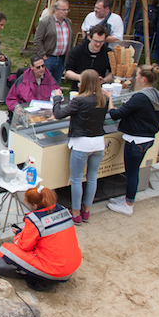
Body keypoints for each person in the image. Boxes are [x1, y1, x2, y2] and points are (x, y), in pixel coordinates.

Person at [0, 186, 82, 291]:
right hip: (73, 263)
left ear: (35, 205)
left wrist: (19, 233)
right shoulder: (63, 210)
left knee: (5, 249)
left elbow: (24, 246)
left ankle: (36, 280)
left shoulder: (34, 220)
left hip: (57, 270)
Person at [106, 64, 159, 216]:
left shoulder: (140, 97)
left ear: (144, 79)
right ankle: (128, 198)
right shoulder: (157, 96)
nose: (136, 78)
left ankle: (128, 205)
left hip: (135, 141)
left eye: (138, 75)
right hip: (147, 139)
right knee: (134, 172)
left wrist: (109, 98)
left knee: (131, 173)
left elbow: (115, 114)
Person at [52, 69, 108, 224]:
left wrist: (57, 98)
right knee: (92, 177)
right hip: (98, 143)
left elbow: (58, 114)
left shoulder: (79, 100)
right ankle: (87, 211)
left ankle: (75, 212)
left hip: (82, 144)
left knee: (76, 179)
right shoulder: (104, 99)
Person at [34, 0, 73, 84]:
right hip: (49, 58)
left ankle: (55, 97)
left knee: (56, 83)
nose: (66, 12)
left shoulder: (68, 22)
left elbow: (70, 40)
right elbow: (37, 40)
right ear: (56, 10)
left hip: (62, 59)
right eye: (64, 10)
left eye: (67, 10)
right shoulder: (45, 22)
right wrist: (43, 56)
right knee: (43, 82)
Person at [64, 24, 112, 91]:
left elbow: (113, 72)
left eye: (101, 42)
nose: (98, 44)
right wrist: (83, 78)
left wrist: (104, 80)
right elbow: (68, 72)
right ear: (89, 38)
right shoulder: (77, 51)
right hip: (78, 88)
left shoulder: (108, 53)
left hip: (98, 88)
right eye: (96, 41)